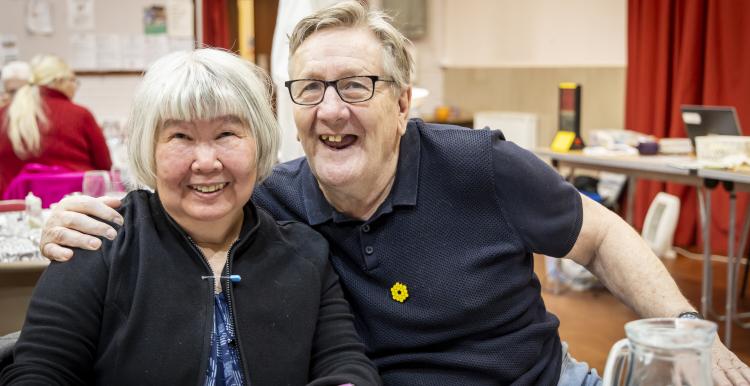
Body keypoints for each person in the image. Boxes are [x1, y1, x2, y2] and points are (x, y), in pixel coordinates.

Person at [38, 2, 750, 385]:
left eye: (356, 85)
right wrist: (72, 219)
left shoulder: (484, 167)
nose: (332, 108)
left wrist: (690, 331)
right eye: (310, 89)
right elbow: (190, 196)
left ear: (403, 104)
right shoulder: (274, 204)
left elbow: (599, 234)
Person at [0, 48, 380, 385]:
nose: (206, 162)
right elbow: (40, 370)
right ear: (150, 150)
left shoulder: (305, 252)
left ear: (260, 143)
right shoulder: (99, 241)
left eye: (227, 133)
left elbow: (343, 362)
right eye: (180, 137)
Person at [0, 54, 112, 196]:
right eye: (73, 80)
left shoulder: (4, 114)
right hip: (76, 207)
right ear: (60, 81)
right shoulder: (81, 114)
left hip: (16, 209)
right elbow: (104, 166)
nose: (75, 87)